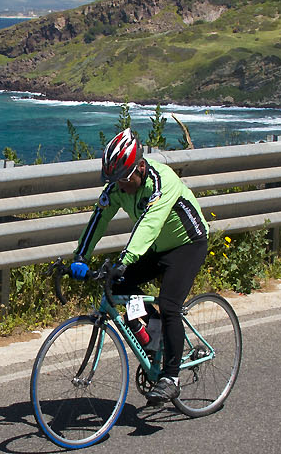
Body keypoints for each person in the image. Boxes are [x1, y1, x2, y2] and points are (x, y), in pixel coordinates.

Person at [68, 127, 209, 404]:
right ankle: (156, 335)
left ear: (140, 167)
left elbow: (149, 225)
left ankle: (171, 378)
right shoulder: (118, 186)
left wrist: (124, 261)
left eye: (123, 179)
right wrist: (80, 257)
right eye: (113, 180)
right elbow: (99, 219)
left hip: (187, 245)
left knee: (170, 305)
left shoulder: (162, 181)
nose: (119, 186)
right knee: (118, 285)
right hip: (155, 247)